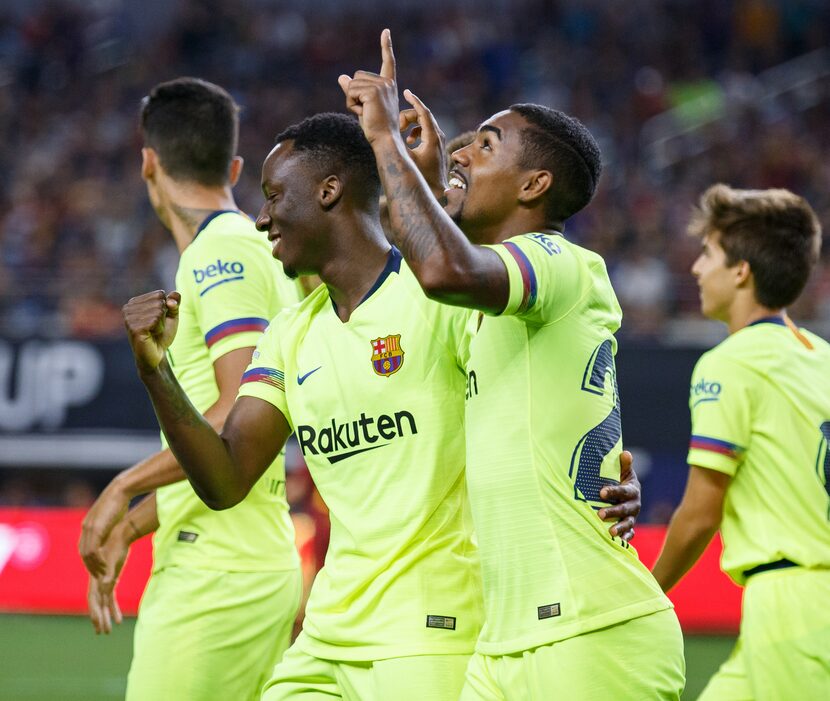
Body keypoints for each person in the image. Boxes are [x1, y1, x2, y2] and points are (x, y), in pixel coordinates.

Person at [121, 111, 642, 701]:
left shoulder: (442, 300)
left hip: (432, 631)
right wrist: (155, 370)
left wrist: (604, 463)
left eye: (272, 197)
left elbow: (545, 377)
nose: (261, 217)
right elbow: (225, 478)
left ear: (329, 191)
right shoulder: (290, 334)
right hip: (326, 634)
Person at [338, 29, 685, 700]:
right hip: (504, 641)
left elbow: (441, 267)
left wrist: (386, 140)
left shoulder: (560, 261)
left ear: (535, 183)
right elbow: (405, 240)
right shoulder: (485, 309)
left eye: (485, 144)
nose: (463, 148)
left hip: (587, 632)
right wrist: (431, 179)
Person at [78, 77, 302, 701]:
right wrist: (134, 525)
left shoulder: (221, 251)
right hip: (243, 563)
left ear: (148, 162)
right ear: (232, 166)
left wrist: (122, 488)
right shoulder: (253, 248)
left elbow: (237, 411)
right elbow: (227, 454)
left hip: (217, 578)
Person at [651, 184, 830, 700]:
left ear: (741, 272)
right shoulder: (819, 354)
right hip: (792, 609)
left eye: (708, 253)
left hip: (793, 605)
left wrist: (646, 594)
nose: (695, 269)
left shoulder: (730, 362)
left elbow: (701, 512)